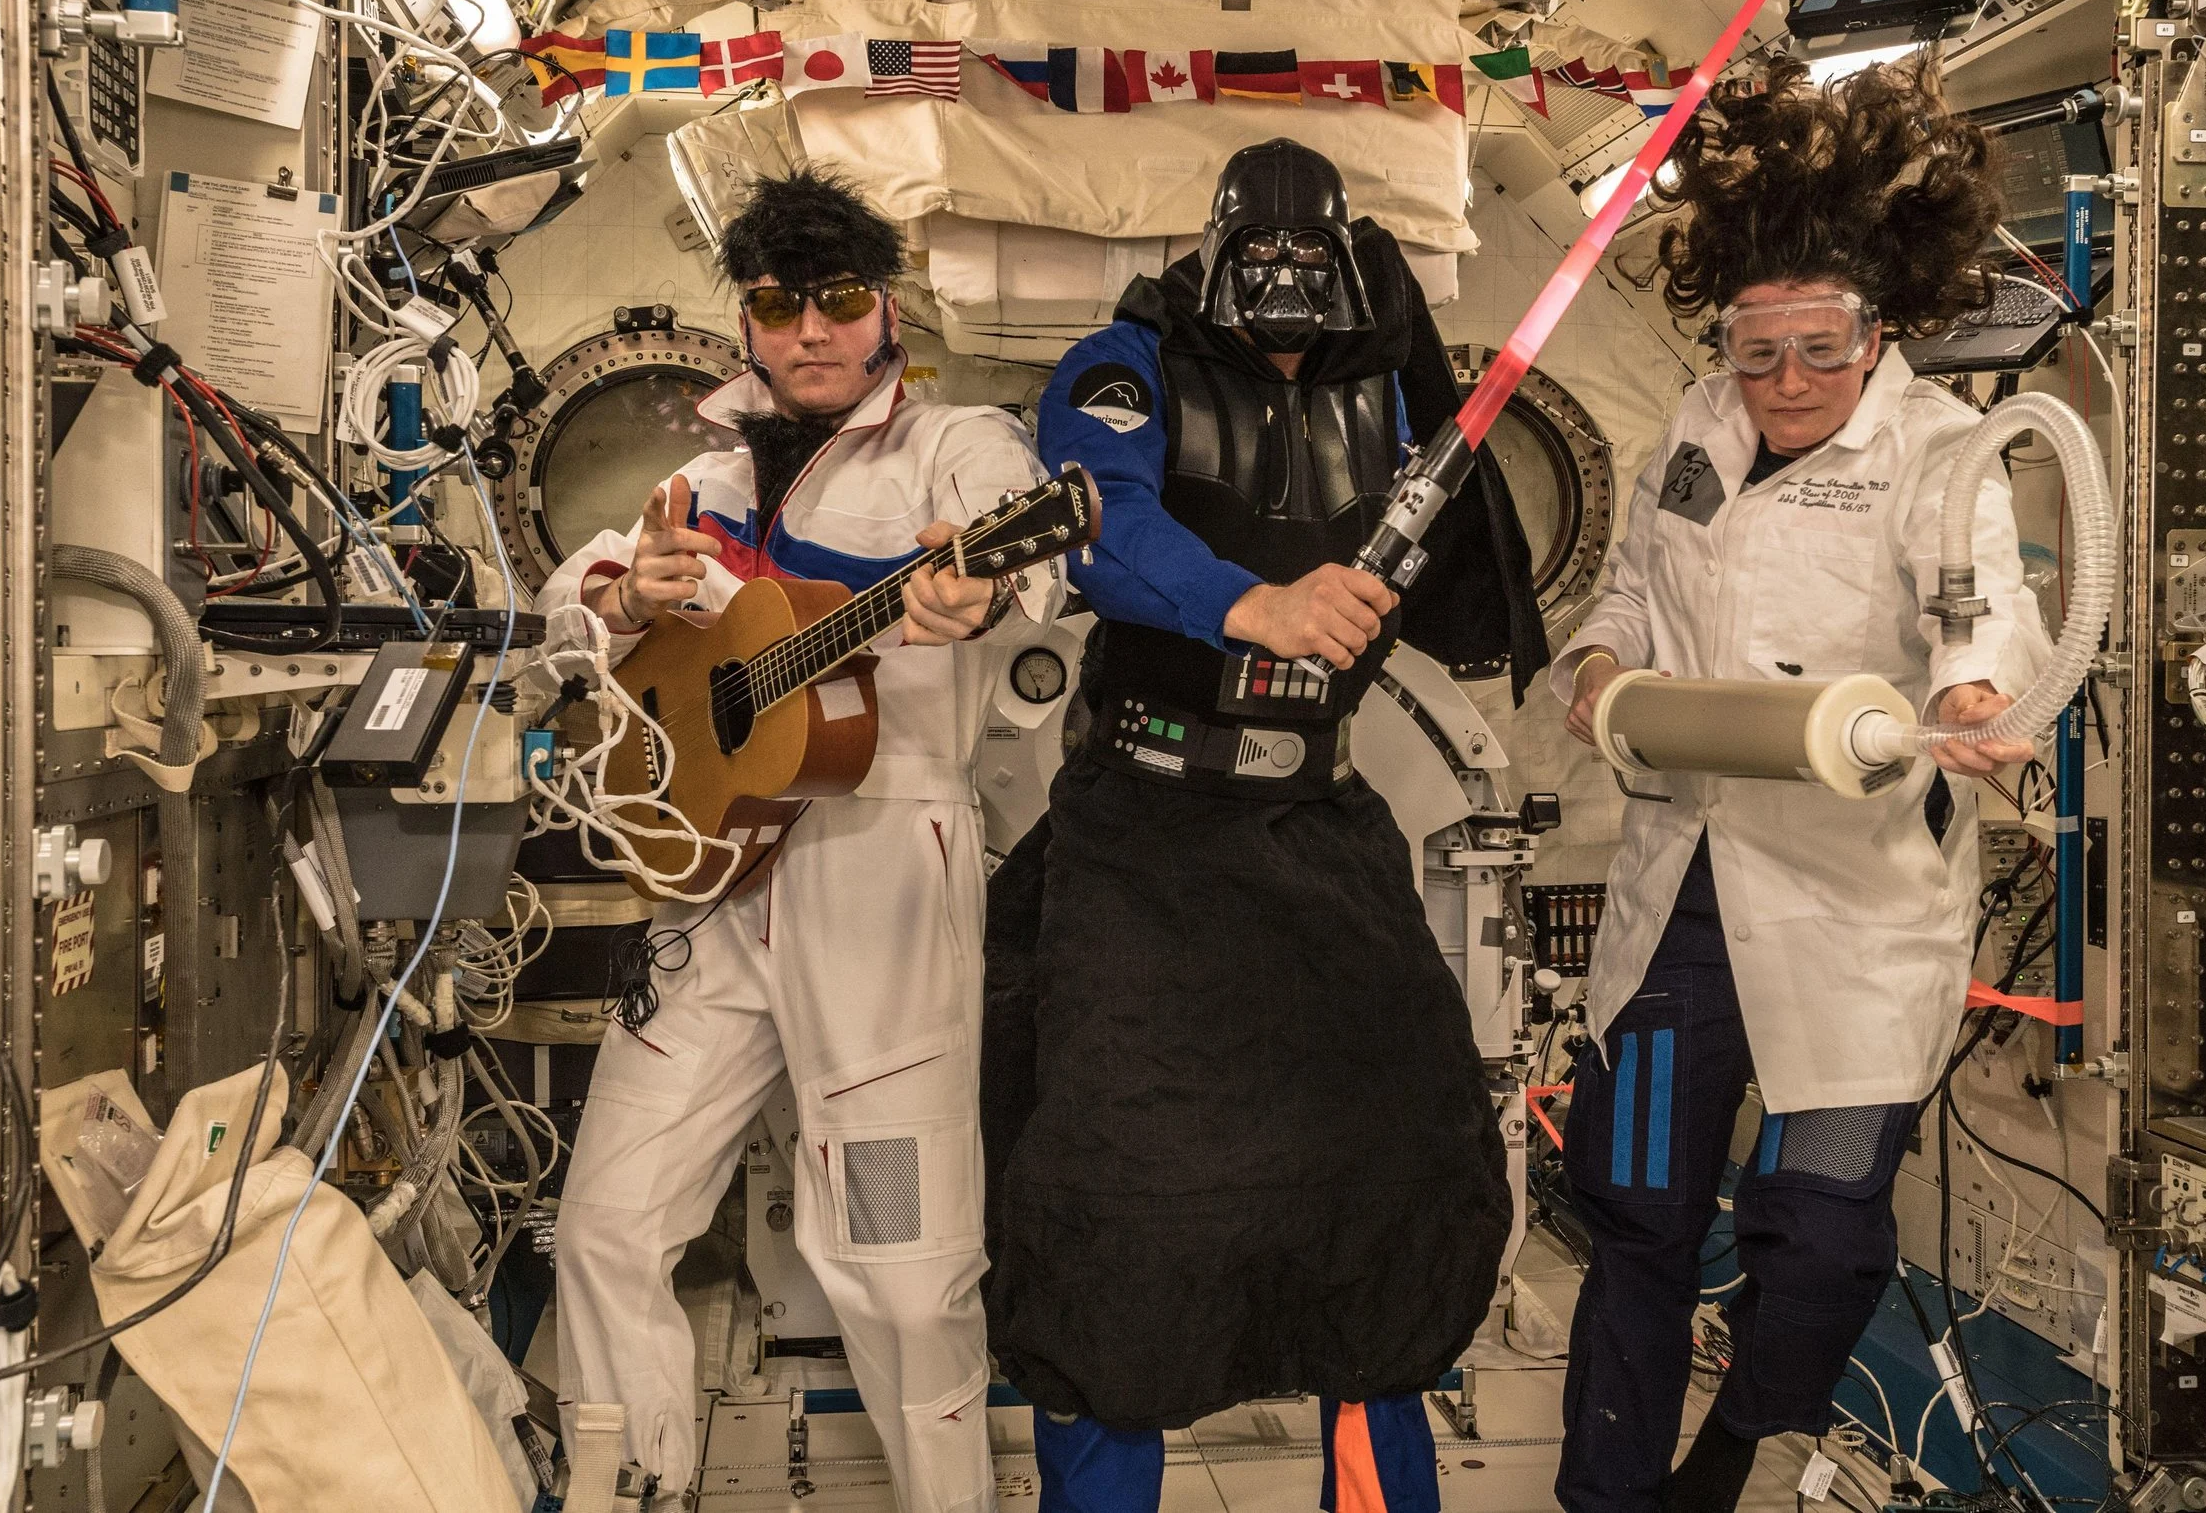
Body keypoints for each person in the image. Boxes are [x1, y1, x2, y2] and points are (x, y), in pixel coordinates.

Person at [982, 138, 1551, 1513]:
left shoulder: (1390, 388)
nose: (1288, 298)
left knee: (1398, 1191)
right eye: (1263, 269)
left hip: (1317, 824)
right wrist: (1253, 603)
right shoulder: (1124, 367)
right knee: (1116, 1230)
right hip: (1142, 839)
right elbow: (1096, 519)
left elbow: (1460, 560)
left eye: (1317, 270)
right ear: (1218, 262)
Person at [1549, 59, 2049, 1513]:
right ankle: (1606, 1497)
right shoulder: (1694, 429)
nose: (1781, 382)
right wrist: (1599, 665)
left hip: (1853, 906)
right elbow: (1629, 592)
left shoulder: (1940, 452)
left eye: (1817, 348)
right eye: (1752, 348)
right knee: (1634, 1215)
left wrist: (1970, 693)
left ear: (1877, 329)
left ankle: (1733, 1446)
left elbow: (1980, 611)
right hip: (1680, 908)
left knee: (1823, 1234)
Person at [537, 168, 1060, 1512]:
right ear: (748, 322)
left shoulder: (955, 444)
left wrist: (983, 576)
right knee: (605, 1223)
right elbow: (567, 607)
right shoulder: (706, 477)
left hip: (879, 888)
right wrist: (623, 600)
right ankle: (624, 1487)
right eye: (778, 305)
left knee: (902, 1266)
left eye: (837, 299)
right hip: (711, 890)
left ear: (886, 309)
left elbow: (1033, 547)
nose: (810, 329)